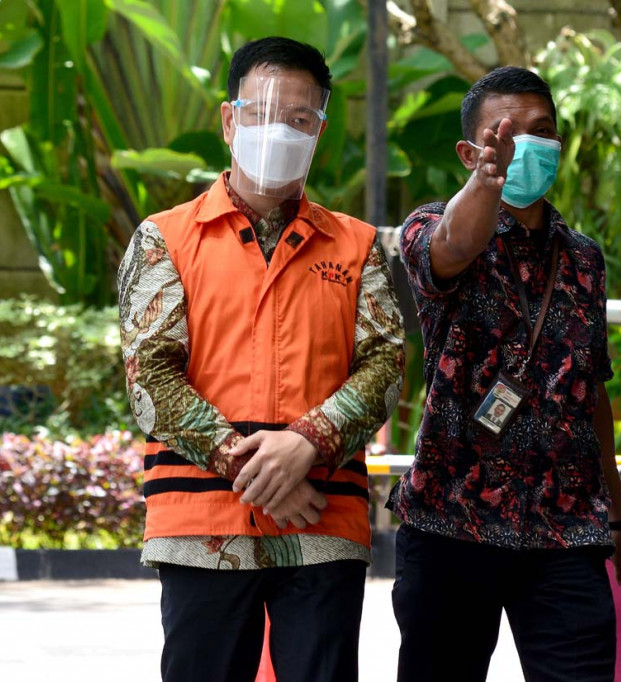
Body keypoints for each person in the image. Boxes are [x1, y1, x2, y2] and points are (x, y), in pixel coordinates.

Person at [118, 36, 405, 682]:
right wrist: (255, 469)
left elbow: (385, 365)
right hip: (201, 524)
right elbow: (149, 378)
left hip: (322, 520)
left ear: (319, 132)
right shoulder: (164, 239)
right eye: (261, 113)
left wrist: (306, 443)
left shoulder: (357, 247)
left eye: (299, 118)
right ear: (229, 121)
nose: (279, 131)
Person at [391, 66, 621, 682]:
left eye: (542, 131)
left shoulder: (583, 258)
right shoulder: (430, 227)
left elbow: (592, 391)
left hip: (565, 530)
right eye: (504, 135)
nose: (524, 145)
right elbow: (453, 247)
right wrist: (487, 182)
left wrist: (618, 517)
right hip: (453, 523)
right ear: (468, 152)